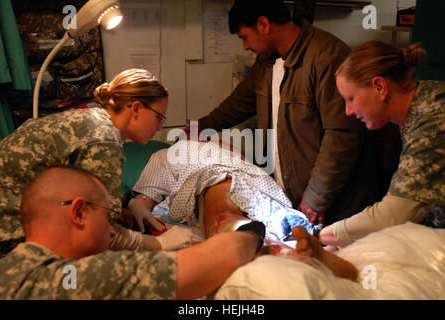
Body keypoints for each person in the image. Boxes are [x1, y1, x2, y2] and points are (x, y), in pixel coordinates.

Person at [188, 0, 381, 227]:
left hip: (334, 204)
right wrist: (200, 126)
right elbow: (240, 102)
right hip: (292, 197)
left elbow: (341, 136)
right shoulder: (268, 62)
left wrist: (317, 198)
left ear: (263, 24)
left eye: (244, 37)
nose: (245, 47)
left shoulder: (326, 57)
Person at [0, 68, 192, 258]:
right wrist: (158, 244)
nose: (159, 127)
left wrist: (127, 201)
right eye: (158, 117)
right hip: (9, 236)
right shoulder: (103, 140)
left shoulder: (90, 119)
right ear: (136, 108)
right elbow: (99, 232)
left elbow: (75, 184)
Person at [0, 165, 264, 299]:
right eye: (108, 218)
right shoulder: (76, 277)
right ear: (78, 213)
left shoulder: (8, 270)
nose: (114, 233)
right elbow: (224, 255)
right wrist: (254, 232)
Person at [318, 41, 445, 247]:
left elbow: (392, 215)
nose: (348, 111)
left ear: (380, 87)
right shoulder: (419, 107)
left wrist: (319, 236)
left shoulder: (433, 118)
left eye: (351, 98)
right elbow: (420, 203)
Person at [131, 139, 312, 241]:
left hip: (216, 177)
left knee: (220, 207)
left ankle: (236, 230)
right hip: (256, 179)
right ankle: (277, 225)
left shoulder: (164, 155)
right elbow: (243, 160)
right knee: (244, 200)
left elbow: (145, 200)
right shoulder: (215, 144)